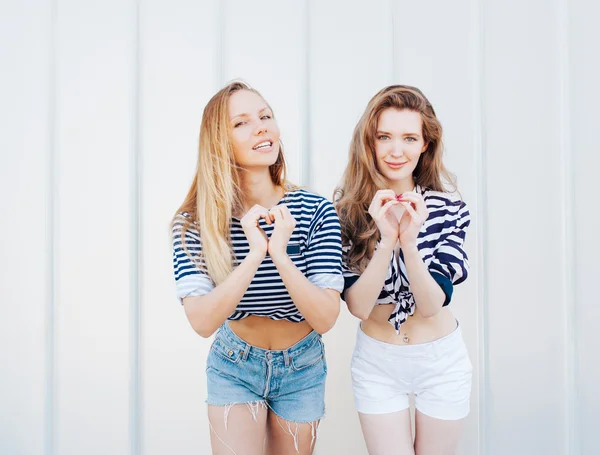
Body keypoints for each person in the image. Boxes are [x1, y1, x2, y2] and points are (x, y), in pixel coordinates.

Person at [171, 81, 344, 455]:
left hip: (303, 365)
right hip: (234, 364)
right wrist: (253, 255)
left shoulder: (316, 210)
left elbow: (327, 317)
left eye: (266, 116)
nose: (262, 127)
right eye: (243, 122)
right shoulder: (194, 222)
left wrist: (280, 255)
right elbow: (201, 322)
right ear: (219, 141)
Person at [334, 85, 472, 455]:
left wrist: (409, 241)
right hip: (378, 361)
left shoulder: (448, 209)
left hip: (440, 359)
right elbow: (359, 307)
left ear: (425, 144)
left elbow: (431, 305)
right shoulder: (345, 212)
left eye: (410, 138)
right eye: (385, 137)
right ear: (370, 142)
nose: (397, 151)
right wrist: (385, 240)